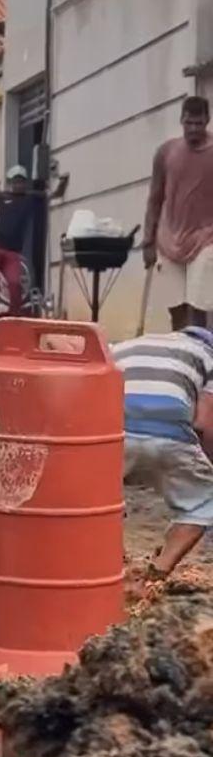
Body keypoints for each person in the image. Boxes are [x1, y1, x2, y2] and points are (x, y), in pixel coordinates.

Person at [114, 307, 213, 577]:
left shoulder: (127, 346)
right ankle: (156, 574)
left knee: (101, 504)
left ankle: (115, 566)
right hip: (168, 433)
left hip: (110, 433)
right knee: (204, 502)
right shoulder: (208, 355)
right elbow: (205, 423)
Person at [143, 95, 213, 331]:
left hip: (205, 239)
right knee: (176, 311)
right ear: (181, 120)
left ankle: (200, 360)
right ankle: (180, 358)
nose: (193, 128)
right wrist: (148, 242)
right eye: (189, 123)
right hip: (169, 240)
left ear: (207, 120)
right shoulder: (165, 152)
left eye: (198, 123)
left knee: (198, 308)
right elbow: (154, 199)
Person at [0, 165, 38, 326]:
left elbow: (51, 196)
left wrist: (60, 185)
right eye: (15, 181)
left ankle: (13, 317)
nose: (18, 185)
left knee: (15, 283)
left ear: (25, 183)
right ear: (10, 182)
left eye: (21, 181)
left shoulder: (30, 199)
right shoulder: (1, 197)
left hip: (12, 251)